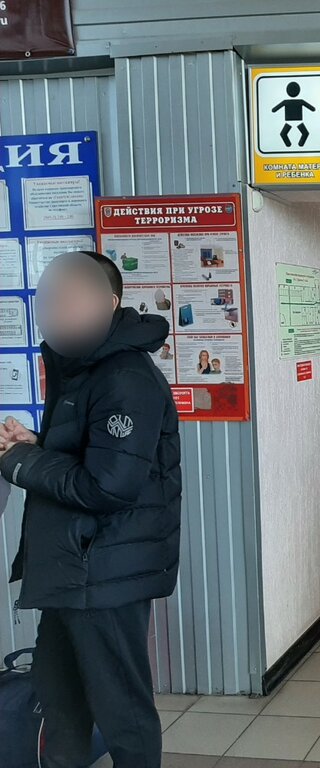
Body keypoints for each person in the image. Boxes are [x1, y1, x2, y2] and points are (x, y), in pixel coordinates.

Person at [0, 250, 181, 768]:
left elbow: (109, 486)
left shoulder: (124, 376)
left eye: (73, 298)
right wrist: (35, 445)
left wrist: (20, 462)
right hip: (71, 569)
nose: (58, 310)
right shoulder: (81, 366)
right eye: (51, 299)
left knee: (122, 709)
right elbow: (89, 453)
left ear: (110, 303)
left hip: (104, 573)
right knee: (59, 701)